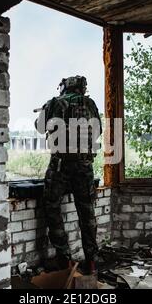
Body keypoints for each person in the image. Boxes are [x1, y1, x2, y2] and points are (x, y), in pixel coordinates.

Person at [35, 76, 102, 274]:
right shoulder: (90, 104)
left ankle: (63, 257)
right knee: (87, 211)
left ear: (65, 87)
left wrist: (44, 111)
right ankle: (91, 261)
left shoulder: (55, 102)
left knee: (51, 205)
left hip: (60, 165)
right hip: (84, 165)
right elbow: (97, 131)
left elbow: (39, 128)